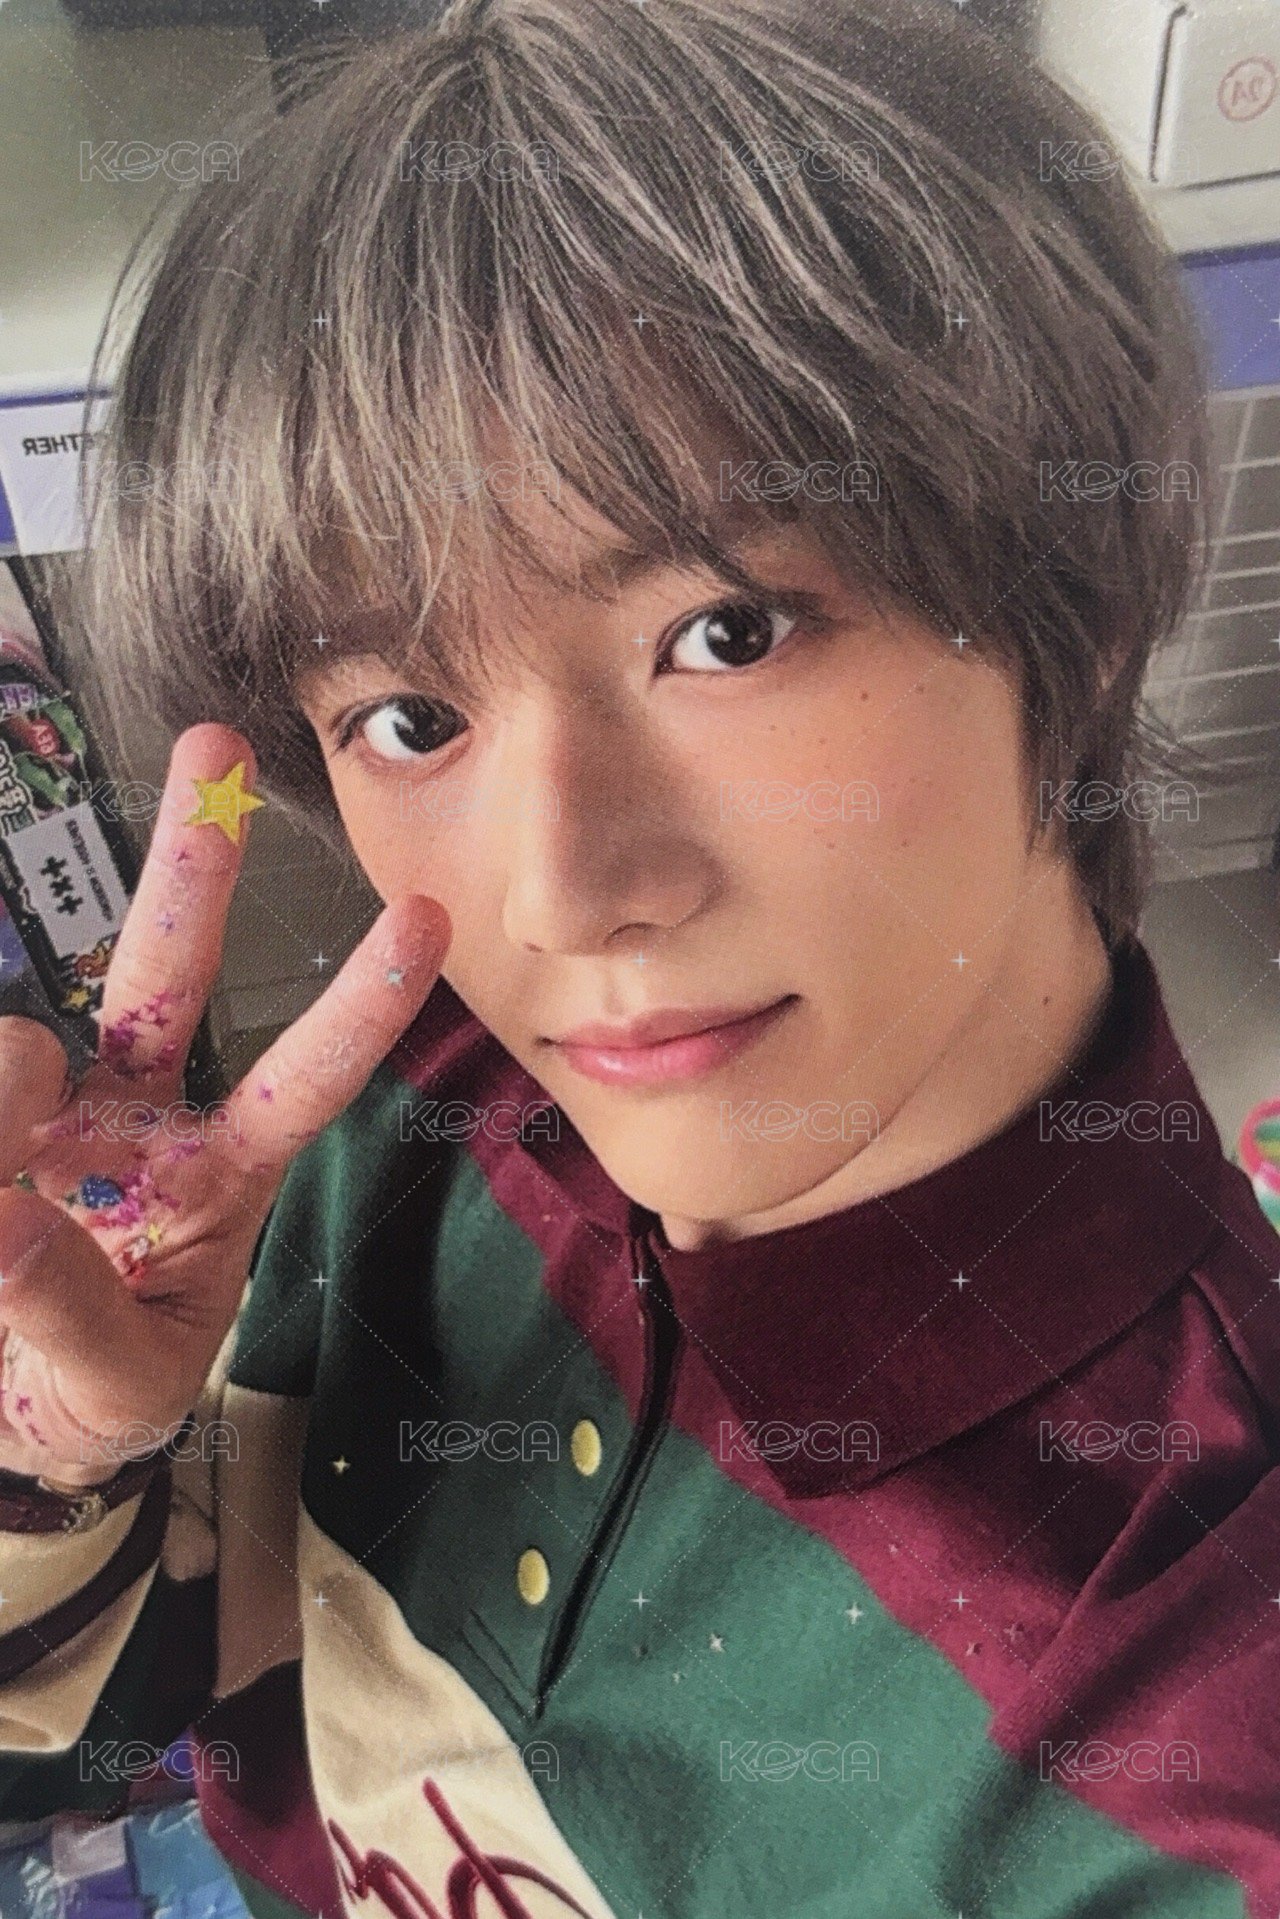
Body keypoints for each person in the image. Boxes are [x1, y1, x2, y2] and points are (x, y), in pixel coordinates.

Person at [0, 0, 1276, 1912]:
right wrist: (64, 1461)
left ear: (1069, 612)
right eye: (413, 718)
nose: (565, 895)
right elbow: (145, 1713)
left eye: (728, 633)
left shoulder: (1193, 1702)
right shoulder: (411, 1109)